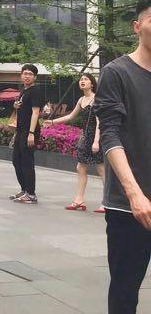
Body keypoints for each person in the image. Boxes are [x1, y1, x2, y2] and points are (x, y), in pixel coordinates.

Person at [94, 0, 151, 314]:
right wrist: (134, 193)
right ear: (138, 25)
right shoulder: (117, 73)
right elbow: (110, 134)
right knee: (126, 291)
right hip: (129, 206)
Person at [44, 73, 104, 212]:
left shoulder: (97, 99)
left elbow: (99, 122)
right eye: (81, 79)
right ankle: (79, 199)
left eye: (86, 79)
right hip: (85, 138)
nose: (82, 81)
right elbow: (71, 116)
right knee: (81, 168)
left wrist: (96, 141)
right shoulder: (81, 99)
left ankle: (107, 202)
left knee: (102, 169)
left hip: (96, 137)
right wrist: (52, 122)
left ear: (92, 84)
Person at [9, 63, 43, 204]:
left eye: (30, 74)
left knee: (27, 162)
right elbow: (23, 109)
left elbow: (35, 112)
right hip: (20, 130)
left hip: (30, 131)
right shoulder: (23, 91)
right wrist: (15, 106)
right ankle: (24, 189)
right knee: (16, 160)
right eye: (25, 73)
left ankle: (31, 194)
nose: (27, 76)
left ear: (35, 77)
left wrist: (31, 133)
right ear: (21, 75)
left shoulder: (35, 91)